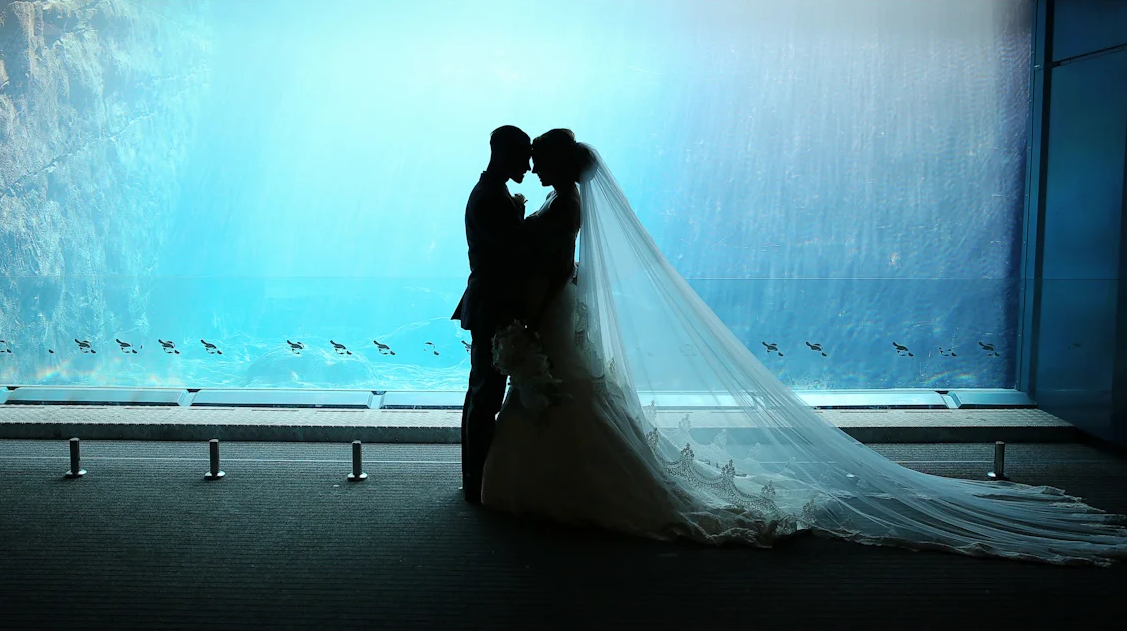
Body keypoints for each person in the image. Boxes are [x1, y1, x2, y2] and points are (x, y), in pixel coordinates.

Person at [480, 128, 1127, 567]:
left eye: (538, 155)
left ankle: (568, 491)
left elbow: (559, 270)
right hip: (561, 315)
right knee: (572, 397)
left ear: (557, 167)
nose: (531, 163)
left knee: (566, 397)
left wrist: (530, 319)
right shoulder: (561, 202)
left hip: (556, 314)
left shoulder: (561, 208)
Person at [452, 125, 532, 504]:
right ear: (502, 153)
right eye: (523, 155)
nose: (529, 166)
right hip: (493, 305)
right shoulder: (490, 198)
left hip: (490, 303)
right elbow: (514, 256)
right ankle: (476, 483)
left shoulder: (492, 193)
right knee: (485, 395)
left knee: (482, 392)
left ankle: (476, 479)